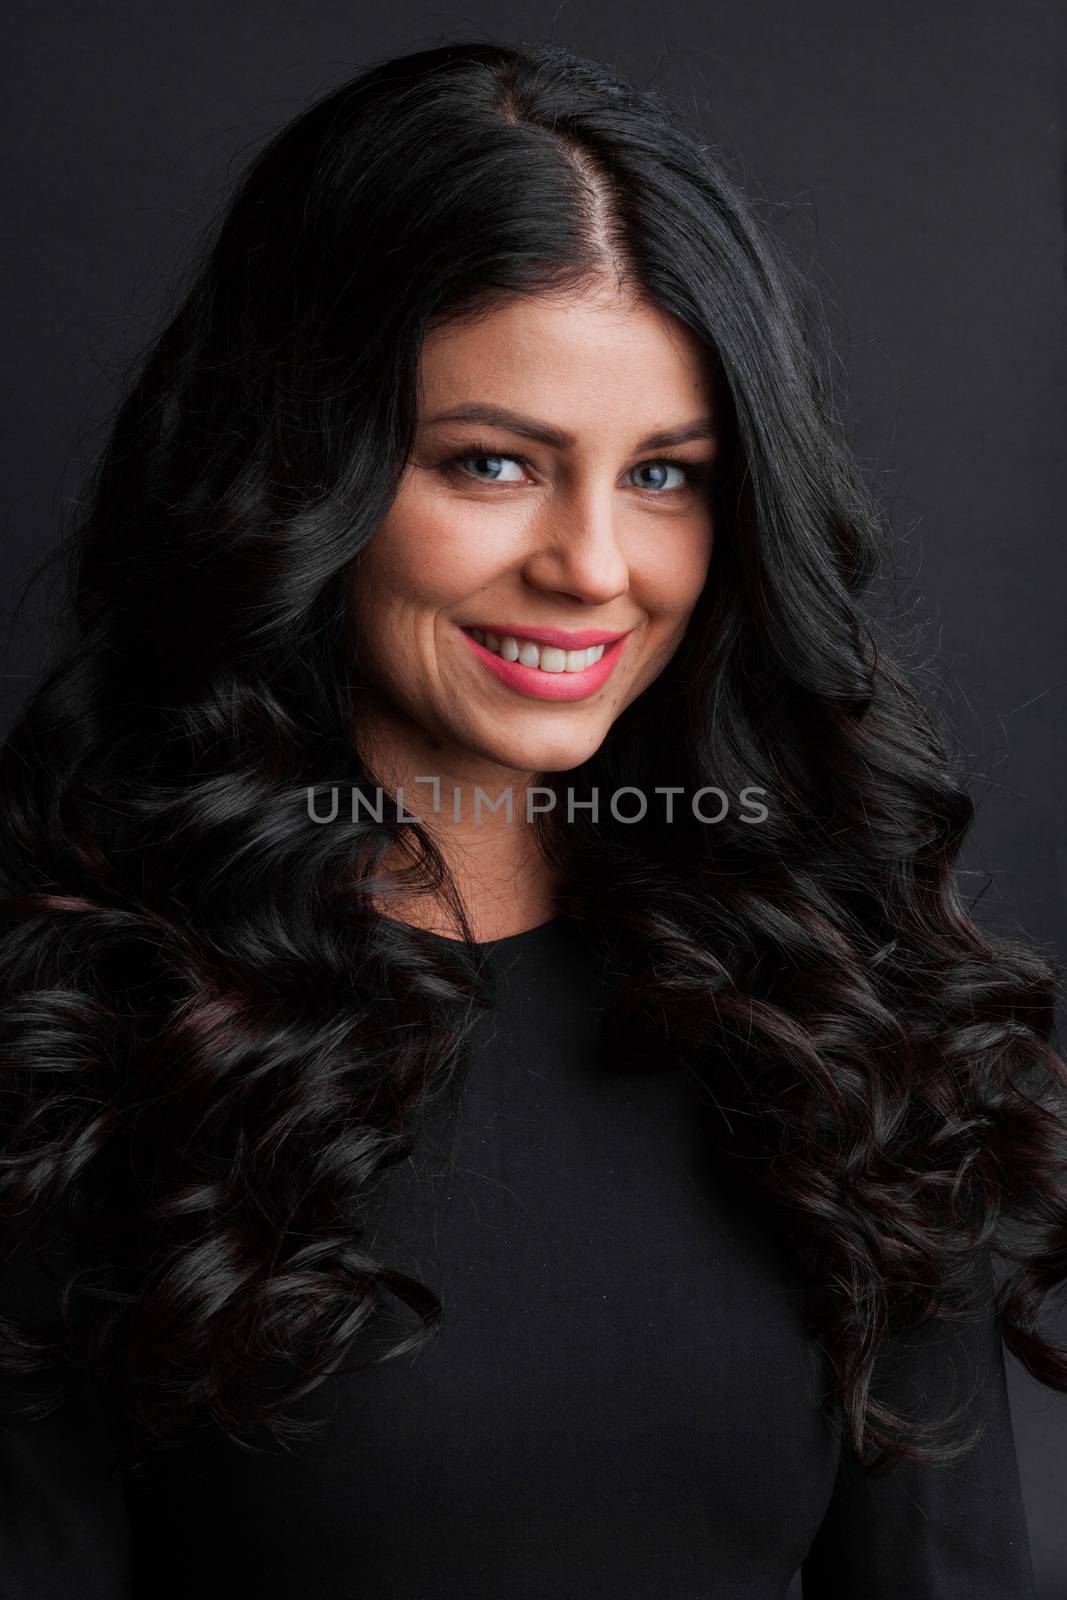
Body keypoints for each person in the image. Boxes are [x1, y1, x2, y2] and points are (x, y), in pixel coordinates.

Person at [0, 36, 1063, 1600]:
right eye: (492, 463)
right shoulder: (80, 1030)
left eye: (665, 476)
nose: (593, 565)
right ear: (307, 471)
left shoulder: (845, 1004)